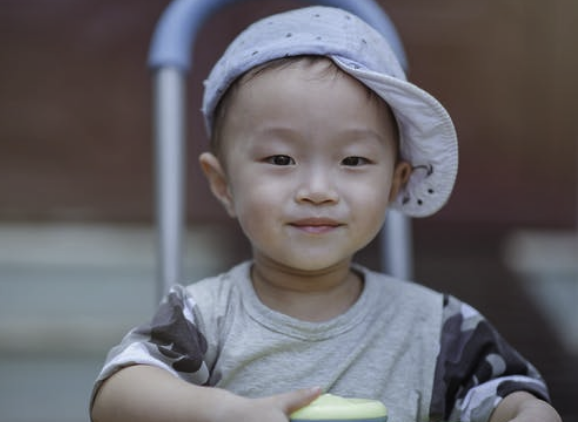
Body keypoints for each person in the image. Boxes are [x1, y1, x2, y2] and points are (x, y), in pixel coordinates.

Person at [90, 6, 561, 422]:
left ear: (395, 183)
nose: (317, 190)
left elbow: (511, 396)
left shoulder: (437, 328)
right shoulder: (204, 318)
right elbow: (115, 395)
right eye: (280, 159)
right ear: (223, 185)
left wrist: (528, 411)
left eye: (353, 160)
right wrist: (220, 410)